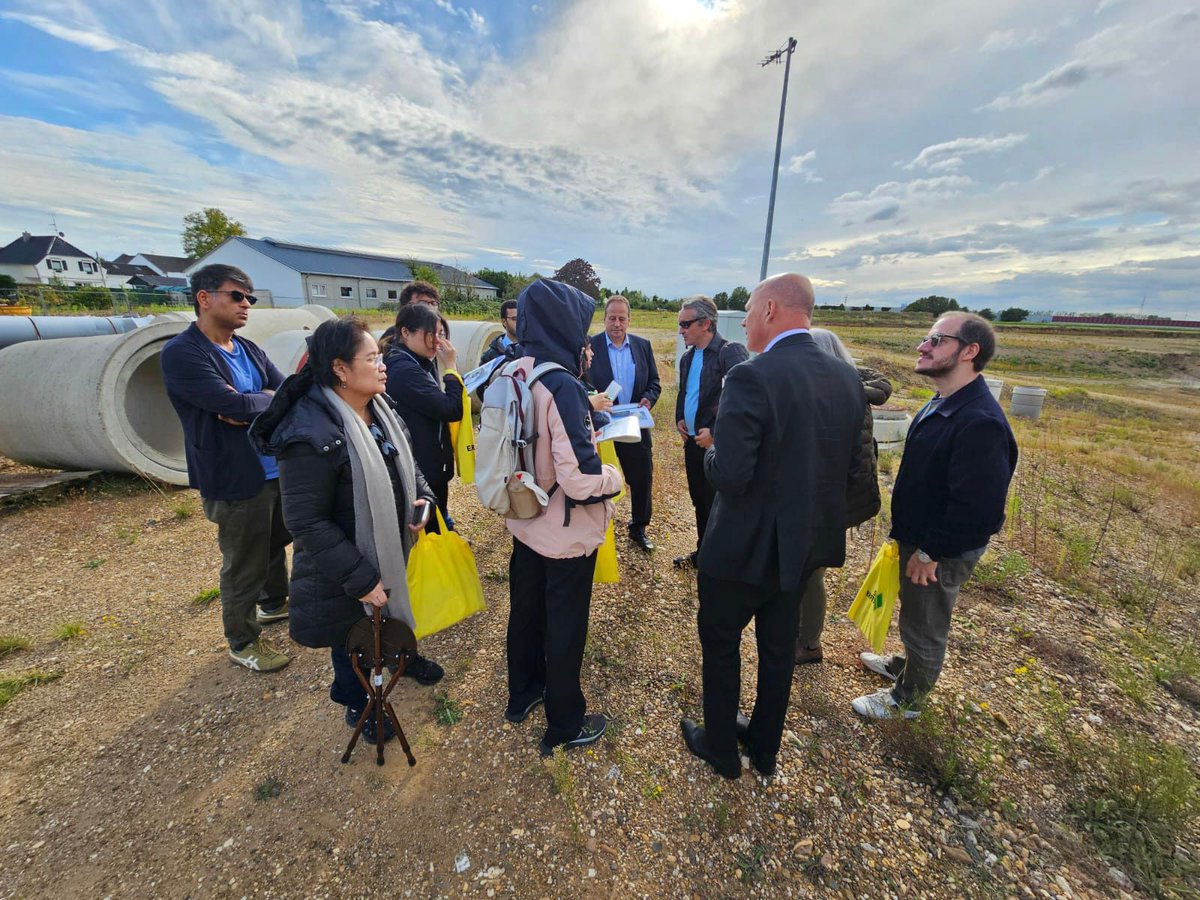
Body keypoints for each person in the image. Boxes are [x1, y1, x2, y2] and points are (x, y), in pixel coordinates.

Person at [680, 274, 863, 779]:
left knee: (721, 643)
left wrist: (712, 450)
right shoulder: (847, 378)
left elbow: (731, 474)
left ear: (770, 311)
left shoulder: (751, 376)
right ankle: (764, 749)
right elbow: (848, 469)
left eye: (748, 309)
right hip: (802, 548)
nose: (744, 320)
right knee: (777, 650)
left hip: (741, 549)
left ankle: (720, 747)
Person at [249, 317, 444, 745]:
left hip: (392, 547)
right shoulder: (309, 433)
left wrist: (424, 499)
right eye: (372, 358)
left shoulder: (380, 408)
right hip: (344, 567)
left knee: (387, 620)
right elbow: (306, 520)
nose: (383, 365)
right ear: (340, 368)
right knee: (353, 638)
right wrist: (361, 577)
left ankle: (401, 659)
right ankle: (357, 701)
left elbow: (409, 465)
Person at [853, 312, 1017, 719]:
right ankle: (906, 666)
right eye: (926, 338)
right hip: (921, 535)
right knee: (914, 611)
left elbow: (978, 510)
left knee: (925, 623)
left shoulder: (980, 421)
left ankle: (906, 701)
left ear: (969, 351)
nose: (922, 346)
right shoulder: (944, 400)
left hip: (938, 546)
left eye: (937, 340)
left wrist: (930, 553)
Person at [502, 279, 623, 756]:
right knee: (566, 625)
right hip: (565, 533)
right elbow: (579, 480)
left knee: (525, 613)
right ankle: (565, 723)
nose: (587, 341)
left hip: (523, 517)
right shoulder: (564, 386)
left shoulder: (513, 369)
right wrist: (614, 477)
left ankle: (523, 693)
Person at [161, 264, 291, 673]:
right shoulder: (182, 353)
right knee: (244, 560)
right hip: (233, 475)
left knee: (273, 540)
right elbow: (230, 405)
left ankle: (274, 604)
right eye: (237, 295)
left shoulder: (249, 349)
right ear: (204, 297)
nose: (246, 304)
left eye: (249, 297)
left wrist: (255, 402)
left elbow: (287, 392)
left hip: (272, 467)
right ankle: (242, 640)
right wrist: (258, 401)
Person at [794, 327, 892, 665]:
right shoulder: (851, 386)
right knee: (806, 569)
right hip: (833, 498)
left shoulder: (841, 396)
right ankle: (802, 633)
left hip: (829, 501)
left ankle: (808, 644)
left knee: (812, 573)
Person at [673, 297, 748, 569]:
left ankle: (721, 560)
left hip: (717, 449)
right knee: (700, 502)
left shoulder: (730, 353)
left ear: (706, 323)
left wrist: (715, 434)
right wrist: (680, 418)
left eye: (685, 324)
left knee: (719, 507)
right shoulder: (687, 356)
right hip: (693, 444)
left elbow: (743, 403)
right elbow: (685, 392)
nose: (681, 330)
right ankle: (704, 553)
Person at [586, 296, 661, 552]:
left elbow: (654, 382)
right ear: (604, 318)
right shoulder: (589, 346)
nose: (616, 324)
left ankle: (638, 527)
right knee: (596, 477)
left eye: (622, 318)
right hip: (601, 425)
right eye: (612, 318)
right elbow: (581, 382)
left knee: (641, 478)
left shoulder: (642, 346)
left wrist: (648, 399)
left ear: (629, 320)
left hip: (634, 424)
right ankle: (596, 529)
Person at [384, 303, 463, 529]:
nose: (436, 342)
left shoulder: (416, 362)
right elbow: (450, 409)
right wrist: (451, 367)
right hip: (421, 467)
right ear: (405, 332)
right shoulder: (403, 369)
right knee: (430, 531)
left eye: (439, 334)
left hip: (427, 462)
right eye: (430, 334)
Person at [480, 300, 521, 366]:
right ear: (504, 321)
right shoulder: (490, 357)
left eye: (521, 318)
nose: (519, 322)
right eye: (515, 319)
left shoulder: (532, 351)